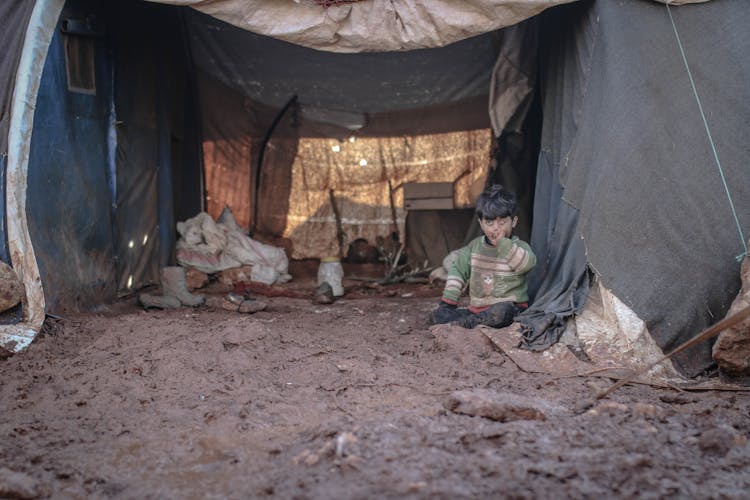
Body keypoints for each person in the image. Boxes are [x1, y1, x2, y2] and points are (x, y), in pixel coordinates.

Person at [429, 184, 537, 329]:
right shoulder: (474, 247)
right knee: (439, 315)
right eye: (489, 222)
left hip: (511, 308)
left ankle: (469, 323)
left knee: (501, 312)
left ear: (514, 222)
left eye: (502, 222)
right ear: (481, 223)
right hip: (477, 310)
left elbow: (526, 265)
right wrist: (448, 303)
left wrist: (504, 245)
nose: (495, 228)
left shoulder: (519, 247)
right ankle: (472, 321)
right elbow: (458, 271)